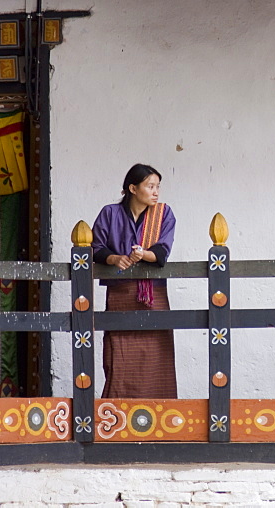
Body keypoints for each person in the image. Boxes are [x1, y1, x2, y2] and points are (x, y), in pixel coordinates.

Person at [91, 164, 177, 398]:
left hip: (153, 295)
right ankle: (118, 415)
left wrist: (142, 255)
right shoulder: (110, 214)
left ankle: (161, 417)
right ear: (132, 188)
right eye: (150, 186)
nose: (156, 192)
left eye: (158, 186)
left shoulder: (164, 214)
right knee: (119, 357)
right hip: (121, 293)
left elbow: (161, 253)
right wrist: (114, 258)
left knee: (157, 358)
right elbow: (95, 248)